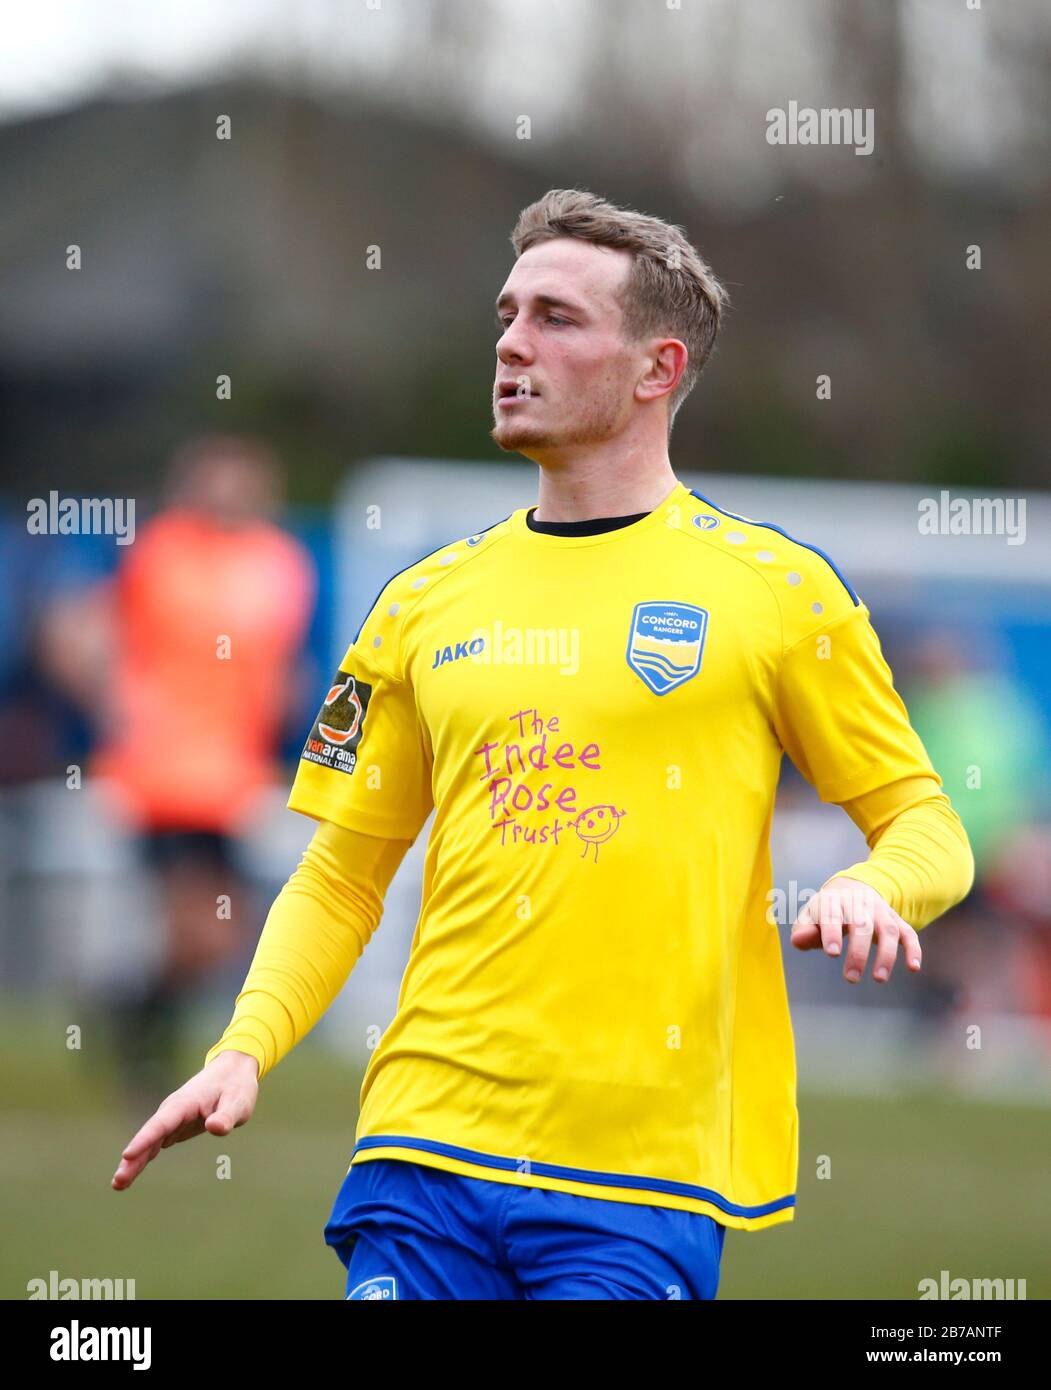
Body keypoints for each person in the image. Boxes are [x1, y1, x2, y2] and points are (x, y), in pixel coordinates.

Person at [111, 190, 974, 1301]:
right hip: (423, 1146)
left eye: (558, 319)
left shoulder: (776, 593)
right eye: (507, 315)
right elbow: (340, 874)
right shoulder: (421, 602)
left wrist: (878, 885)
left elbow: (928, 824)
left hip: (640, 1173)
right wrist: (244, 1045)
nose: (512, 343)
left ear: (656, 368)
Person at [42, 435, 316, 1105]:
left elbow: (285, 664)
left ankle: (128, 1010)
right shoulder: (159, 552)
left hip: (235, 779)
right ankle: (144, 1053)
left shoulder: (282, 564)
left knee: (221, 936)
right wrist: (112, 701)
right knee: (201, 928)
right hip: (161, 776)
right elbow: (73, 627)